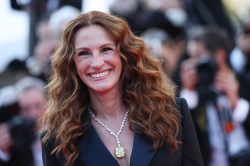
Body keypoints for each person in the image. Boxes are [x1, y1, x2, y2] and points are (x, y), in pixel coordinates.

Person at [40, 10, 203, 166]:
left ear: (125, 55)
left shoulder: (173, 113)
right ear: (72, 64)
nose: (97, 63)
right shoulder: (57, 139)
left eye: (106, 50)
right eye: (84, 53)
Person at [179, 26, 250, 166]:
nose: (193, 64)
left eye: (198, 56)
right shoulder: (195, 92)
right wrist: (189, 94)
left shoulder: (244, 81)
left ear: (219, 54)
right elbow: (186, 137)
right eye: (190, 57)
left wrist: (236, 103)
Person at [0, 76, 46, 166]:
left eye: (38, 106)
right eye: (26, 109)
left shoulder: (62, 133)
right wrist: (3, 150)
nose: (33, 114)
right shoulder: (16, 141)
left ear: (48, 104)